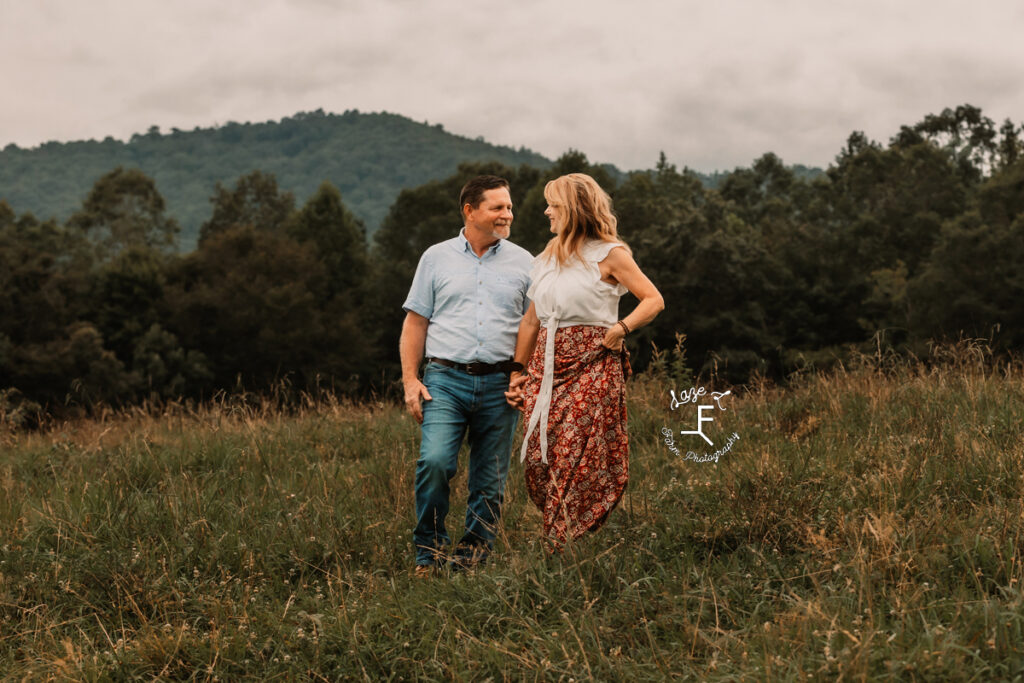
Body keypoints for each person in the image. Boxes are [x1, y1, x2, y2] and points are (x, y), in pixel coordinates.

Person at [506, 173, 664, 549]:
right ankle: (562, 530)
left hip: (592, 360)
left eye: (553, 205)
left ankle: (559, 542)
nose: (546, 211)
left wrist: (622, 327)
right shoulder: (548, 255)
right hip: (545, 365)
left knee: (577, 449)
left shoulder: (611, 254)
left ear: (573, 209)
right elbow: (531, 320)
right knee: (538, 458)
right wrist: (517, 371)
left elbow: (653, 299)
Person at [400, 175, 532, 575]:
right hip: (444, 379)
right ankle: (430, 555)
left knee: (489, 480)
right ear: (470, 211)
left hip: (501, 384)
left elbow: (535, 327)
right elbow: (415, 323)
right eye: (497, 207)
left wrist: (523, 376)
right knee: (436, 461)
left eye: (509, 206)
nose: (507, 214)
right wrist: (410, 380)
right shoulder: (435, 258)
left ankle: (471, 559)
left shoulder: (527, 262)